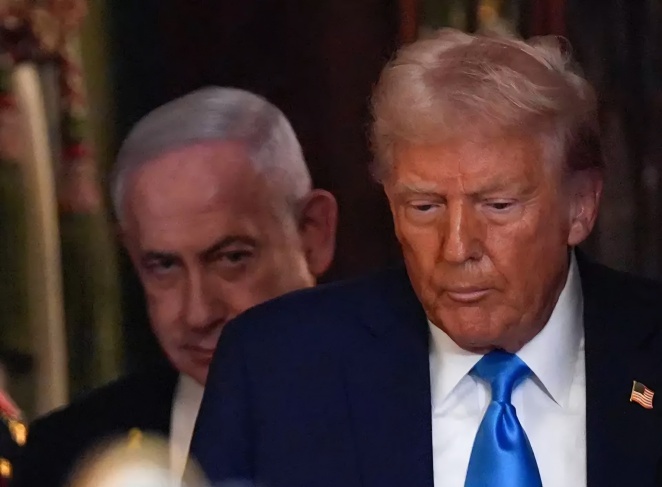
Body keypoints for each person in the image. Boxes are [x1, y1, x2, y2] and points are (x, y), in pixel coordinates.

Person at [190, 29, 662, 487]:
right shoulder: (275, 368)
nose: (456, 248)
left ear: (580, 206)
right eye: (424, 207)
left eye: (498, 206)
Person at [11, 87, 338, 486]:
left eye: (232, 258)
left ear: (313, 234)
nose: (198, 313)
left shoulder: (405, 416)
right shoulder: (61, 457)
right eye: (164, 266)